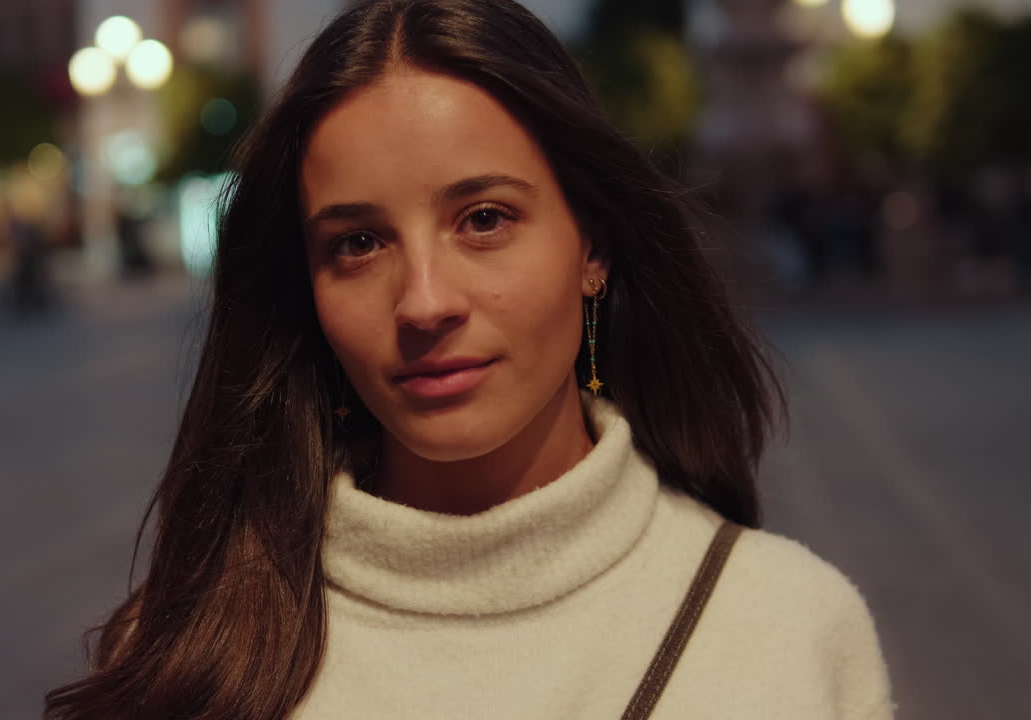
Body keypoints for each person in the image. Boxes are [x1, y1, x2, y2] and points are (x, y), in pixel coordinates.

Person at [45, 1, 893, 718]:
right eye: (358, 243)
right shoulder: (190, 653)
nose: (423, 302)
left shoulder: (793, 632)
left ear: (591, 244)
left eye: (484, 219)